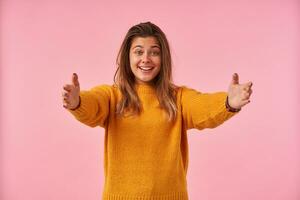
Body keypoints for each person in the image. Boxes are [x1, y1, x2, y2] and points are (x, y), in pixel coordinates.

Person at [62, 21, 253, 200]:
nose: (146, 59)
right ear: (127, 57)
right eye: (138, 52)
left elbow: (203, 107)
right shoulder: (112, 96)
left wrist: (228, 103)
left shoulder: (178, 97)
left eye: (154, 52)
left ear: (163, 58)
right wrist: (77, 102)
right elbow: (93, 105)